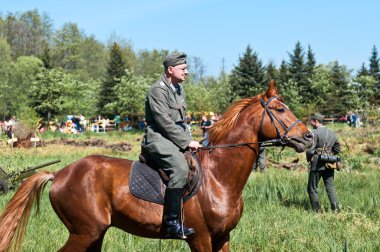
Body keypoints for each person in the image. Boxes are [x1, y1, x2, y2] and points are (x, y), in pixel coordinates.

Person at [141, 52, 199, 239]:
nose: (187, 72)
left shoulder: (179, 89)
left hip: (174, 137)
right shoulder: (157, 90)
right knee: (181, 168)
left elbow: (181, 122)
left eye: (186, 68)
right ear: (170, 69)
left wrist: (190, 139)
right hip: (158, 138)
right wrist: (185, 141)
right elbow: (164, 122)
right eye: (183, 69)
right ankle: (171, 223)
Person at [306, 113, 341, 213]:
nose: (310, 123)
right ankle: (336, 209)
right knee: (330, 186)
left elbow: (310, 150)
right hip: (330, 162)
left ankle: (317, 210)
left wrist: (309, 159)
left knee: (312, 187)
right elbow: (337, 149)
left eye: (311, 121)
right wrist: (329, 155)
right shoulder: (332, 132)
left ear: (316, 121)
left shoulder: (314, 133)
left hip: (317, 163)